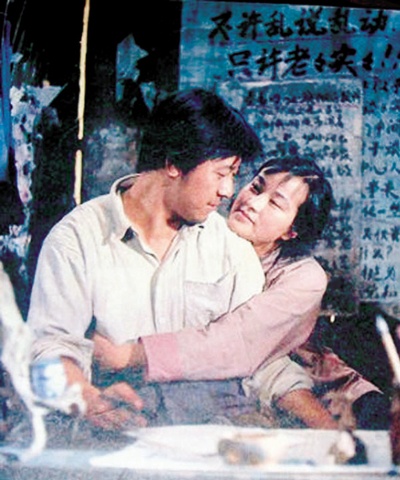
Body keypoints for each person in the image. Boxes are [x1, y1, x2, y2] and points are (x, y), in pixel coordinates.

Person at [27, 87, 267, 431]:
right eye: (221, 173)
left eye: (233, 174)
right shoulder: (77, 239)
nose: (228, 191)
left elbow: (256, 353)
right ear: (173, 163)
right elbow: (48, 349)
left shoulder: (231, 251)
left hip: (210, 439)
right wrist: (87, 398)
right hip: (110, 435)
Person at [94, 156, 389, 430]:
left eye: (275, 204)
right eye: (256, 187)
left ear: (291, 231)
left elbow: (238, 341)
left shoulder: (305, 277)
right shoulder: (204, 234)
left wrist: (131, 355)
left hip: (313, 386)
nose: (253, 203)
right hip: (218, 381)